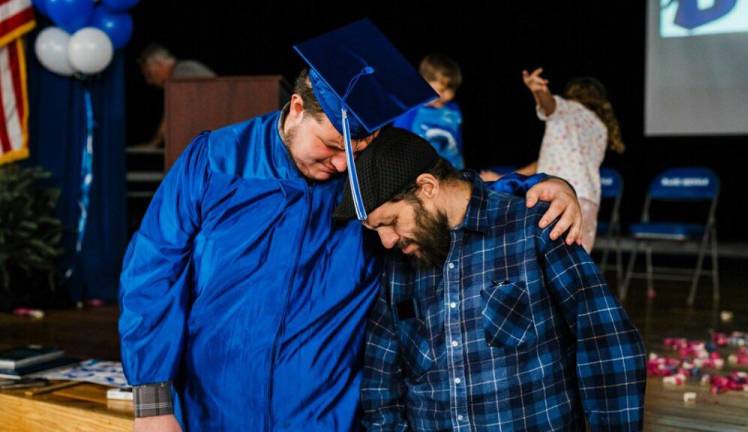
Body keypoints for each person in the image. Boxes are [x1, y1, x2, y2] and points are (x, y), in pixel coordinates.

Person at [120, 21, 583, 432]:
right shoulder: (216, 161)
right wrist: (152, 399)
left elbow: (448, 187)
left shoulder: (366, 171)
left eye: (356, 151)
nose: (343, 165)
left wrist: (541, 183)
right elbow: (153, 269)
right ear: (297, 108)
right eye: (330, 146)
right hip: (212, 402)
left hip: (322, 408)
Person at [332, 128, 646, 431]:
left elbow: (608, 345)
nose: (387, 241)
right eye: (377, 230)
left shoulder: (532, 227)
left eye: (390, 222)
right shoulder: (399, 265)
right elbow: (381, 382)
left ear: (427, 186)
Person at [484, 68, 624, 253]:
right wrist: (504, 177)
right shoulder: (600, 127)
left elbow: (550, 105)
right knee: (577, 260)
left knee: (546, 259)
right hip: (588, 200)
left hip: (557, 195)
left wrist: (539, 90)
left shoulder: (569, 109)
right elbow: (542, 163)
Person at [393, 54, 465, 169]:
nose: (446, 95)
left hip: (455, 169)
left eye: (452, 89)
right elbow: (399, 145)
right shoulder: (409, 112)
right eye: (441, 90)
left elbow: (457, 143)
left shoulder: (453, 110)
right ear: (423, 83)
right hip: (422, 171)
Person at [137, 44, 216, 148]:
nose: (149, 82)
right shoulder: (183, 70)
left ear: (159, 63)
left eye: (149, 74)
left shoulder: (182, 73)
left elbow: (172, 116)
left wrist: (152, 145)